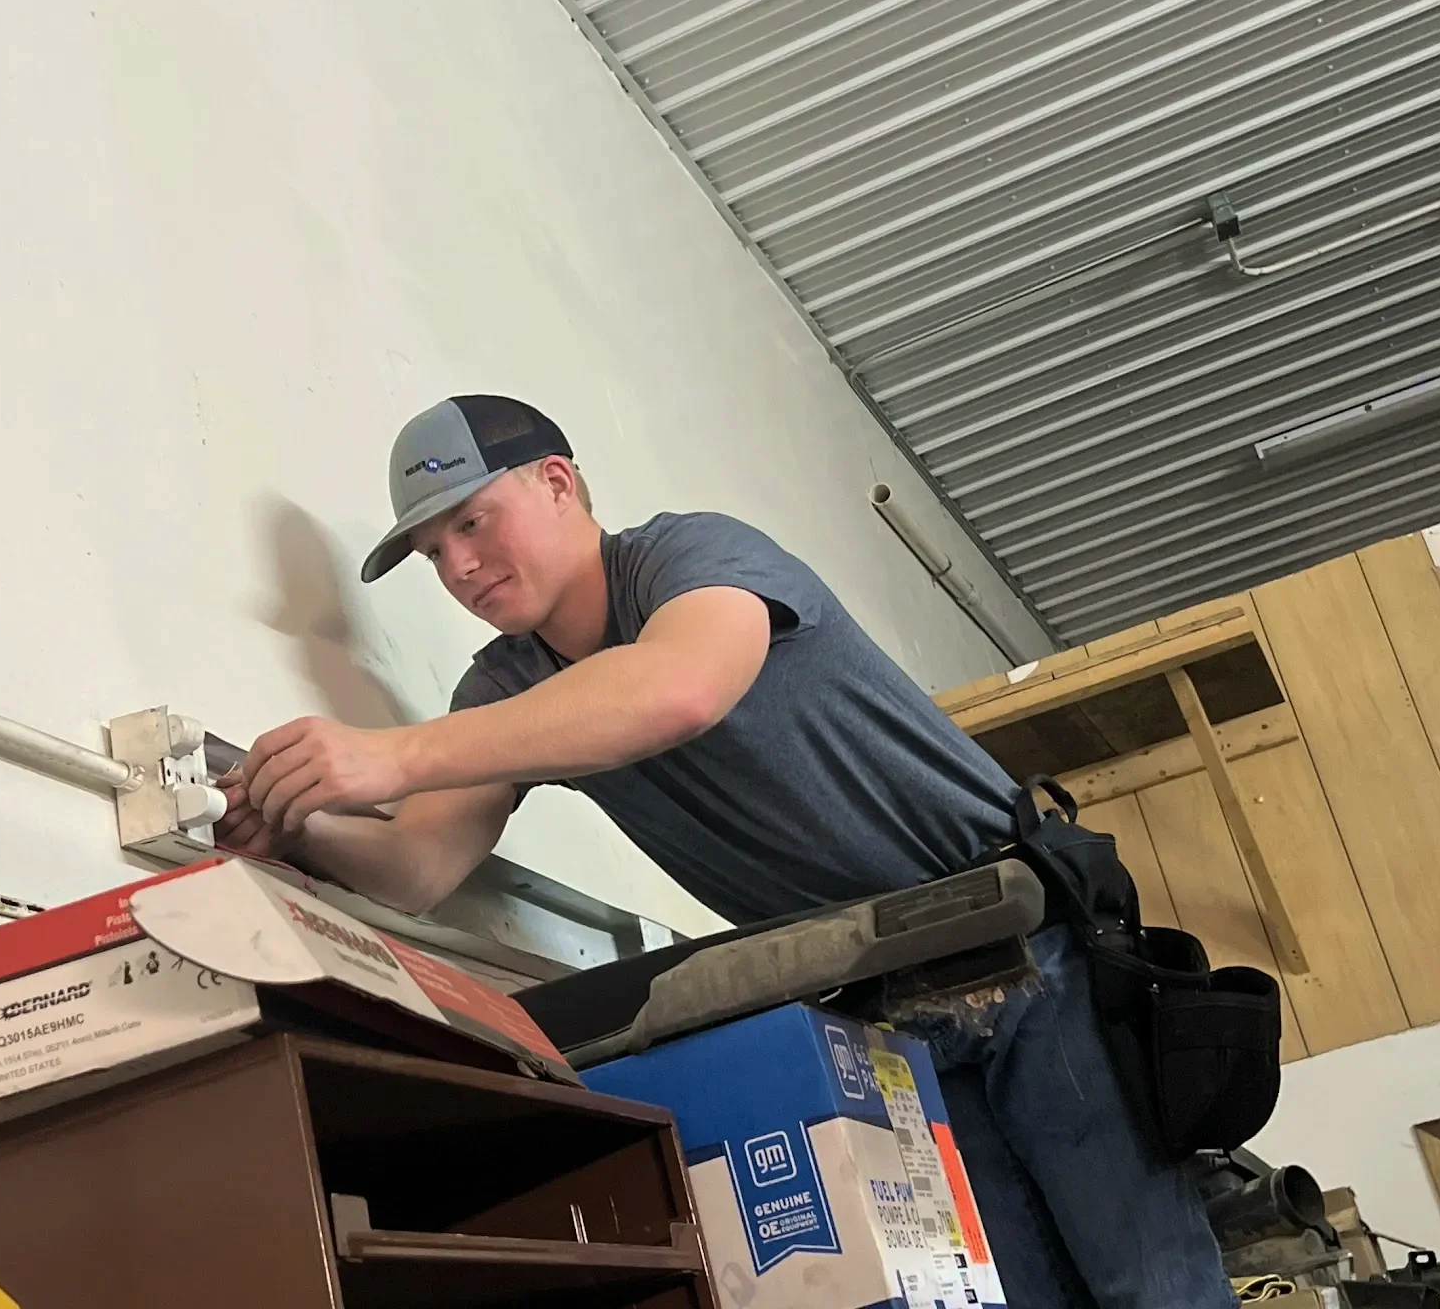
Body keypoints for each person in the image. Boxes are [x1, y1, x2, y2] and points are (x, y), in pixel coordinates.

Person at [218, 394, 1233, 1309]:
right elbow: (419, 867)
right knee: (1004, 1294)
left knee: (1152, 1286)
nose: (459, 568)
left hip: (1020, 941)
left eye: (471, 523)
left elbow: (677, 689)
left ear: (558, 482)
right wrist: (297, 819)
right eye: (433, 552)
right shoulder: (503, 687)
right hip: (888, 1003)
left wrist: (392, 755)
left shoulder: (690, 557)